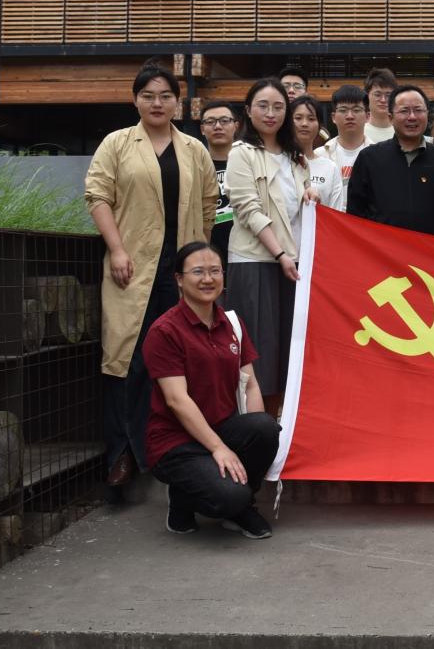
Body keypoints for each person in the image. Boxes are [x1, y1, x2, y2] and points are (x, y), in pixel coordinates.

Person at [85, 63, 218, 491]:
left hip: (180, 272)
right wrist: (117, 249)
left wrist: (199, 261)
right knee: (127, 361)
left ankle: (176, 455)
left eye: (165, 96)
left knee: (182, 362)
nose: (157, 103)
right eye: (148, 95)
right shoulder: (117, 143)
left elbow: (208, 205)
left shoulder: (193, 149)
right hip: (132, 269)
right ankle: (122, 455)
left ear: (178, 102)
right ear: (135, 100)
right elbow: (97, 196)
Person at [144, 242, 280, 539]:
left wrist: (252, 433)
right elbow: (177, 400)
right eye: (198, 272)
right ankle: (186, 499)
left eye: (215, 271)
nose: (208, 279)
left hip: (223, 427)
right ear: (179, 279)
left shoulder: (231, 323)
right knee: (229, 496)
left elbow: (250, 384)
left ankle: (242, 504)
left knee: (265, 427)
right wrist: (218, 448)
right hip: (176, 441)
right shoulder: (165, 331)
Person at [225, 78, 318, 417]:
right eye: (263, 106)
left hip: (291, 263)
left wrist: (310, 193)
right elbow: (248, 210)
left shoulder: (296, 158)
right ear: (248, 111)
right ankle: (255, 428)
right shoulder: (242, 153)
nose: (271, 113)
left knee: (285, 353)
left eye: (279, 107)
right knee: (258, 352)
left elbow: (299, 206)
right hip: (254, 261)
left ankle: (280, 427)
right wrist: (279, 254)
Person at [348, 85, 434, 236]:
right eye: (404, 111)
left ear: (427, 114)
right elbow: (355, 214)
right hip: (382, 248)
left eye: (418, 110)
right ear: (390, 117)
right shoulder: (369, 158)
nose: (412, 117)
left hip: (430, 248)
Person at [200, 101, 241, 269]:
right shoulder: (194, 166)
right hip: (205, 251)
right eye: (210, 121)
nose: (218, 126)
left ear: (236, 126)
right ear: (202, 129)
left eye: (224, 121)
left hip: (244, 252)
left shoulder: (249, 164)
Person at [315, 85, 374, 200]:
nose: (350, 116)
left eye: (356, 110)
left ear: (367, 116)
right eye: (343, 110)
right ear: (333, 117)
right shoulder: (319, 155)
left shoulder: (379, 155)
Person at [291, 95, 342, 211]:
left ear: (319, 126)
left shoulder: (330, 167)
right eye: (298, 118)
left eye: (311, 119)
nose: (304, 123)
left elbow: (336, 212)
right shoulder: (280, 161)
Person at [363, 67, 398, 143]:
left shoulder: (402, 131)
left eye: (388, 95)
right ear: (367, 96)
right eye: (377, 95)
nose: (383, 100)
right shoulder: (358, 131)